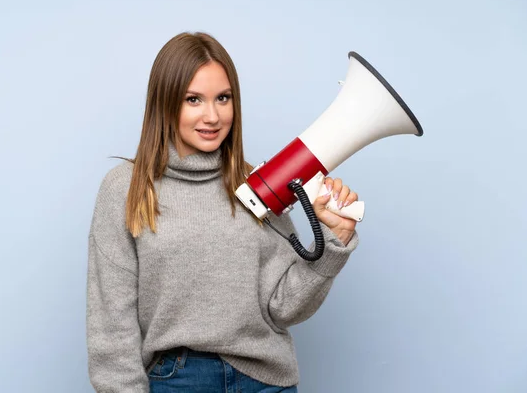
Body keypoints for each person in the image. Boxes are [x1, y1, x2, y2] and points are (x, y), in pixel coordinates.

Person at [86, 31, 360, 393]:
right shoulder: (125, 188)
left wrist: (333, 243)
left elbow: (284, 308)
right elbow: (111, 329)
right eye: (193, 99)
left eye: (223, 98)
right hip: (177, 382)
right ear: (165, 103)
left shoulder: (257, 185)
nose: (212, 116)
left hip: (267, 381)